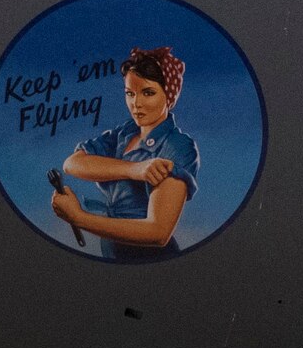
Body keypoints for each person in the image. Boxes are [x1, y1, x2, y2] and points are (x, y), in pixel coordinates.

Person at [52, 45, 200, 261]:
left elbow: (158, 233)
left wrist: (79, 218)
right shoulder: (125, 132)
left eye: (148, 93)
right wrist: (135, 169)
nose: (136, 104)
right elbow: (73, 163)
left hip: (151, 259)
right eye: (130, 93)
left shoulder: (177, 146)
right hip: (113, 252)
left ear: (169, 95)